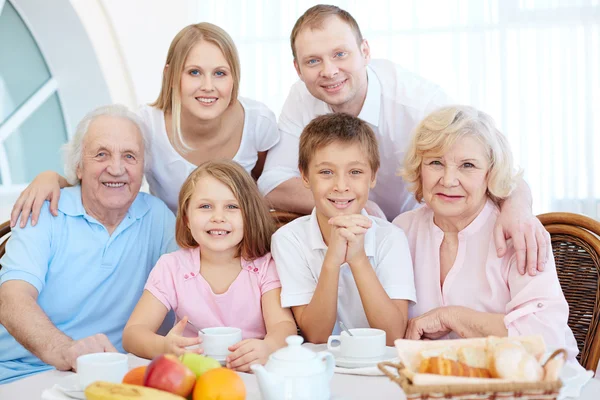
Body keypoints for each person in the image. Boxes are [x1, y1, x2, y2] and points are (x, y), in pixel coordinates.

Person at [258, 4, 549, 276]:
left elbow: (490, 165)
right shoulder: (302, 95)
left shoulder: (419, 102)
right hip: (352, 233)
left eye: (340, 54)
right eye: (313, 61)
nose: (329, 71)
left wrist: (518, 207)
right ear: (298, 69)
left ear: (365, 51)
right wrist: (356, 204)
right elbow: (272, 183)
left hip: (423, 237)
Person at [11, 22, 279, 216]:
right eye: (194, 72)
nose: (208, 86)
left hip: (236, 249)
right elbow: (98, 177)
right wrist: (50, 177)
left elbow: (267, 187)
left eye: (220, 73)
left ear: (235, 77)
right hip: (168, 251)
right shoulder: (145, 126)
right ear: (171, 76)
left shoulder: (257, 121)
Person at [0, 105, 177, 383]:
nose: (116, 168)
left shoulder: (157, 217)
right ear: (78, 166)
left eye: (129, 156)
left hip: (112, 376)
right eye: (101, 154)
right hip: (22, 372)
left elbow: (192, 289)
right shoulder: (44, 211)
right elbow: (11, 298)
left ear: (143, 168)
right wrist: (67, 350)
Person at [393, 105, 578, 361]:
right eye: (436, 162)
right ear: (419, 168)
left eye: (467, 165)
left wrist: (452, 317)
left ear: (490, 174)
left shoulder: (519, 234)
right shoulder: (403, 230)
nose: (448, 180)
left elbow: (547, 337)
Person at [122, 160, 296, 372]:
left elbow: (283, 326)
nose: (218, 218)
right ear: (186, 217)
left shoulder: (265, 266)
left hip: (253, 373)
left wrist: (268, 347)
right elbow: (133, 333)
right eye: (205, 206)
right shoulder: (172, 267)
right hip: (194, 377)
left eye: (232, 207)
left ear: (248, 215)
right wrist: (164, 347)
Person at [271, 113, 416, 346]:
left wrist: (358, 258)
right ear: (305, 176)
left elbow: (392, 336)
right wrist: (332, 260)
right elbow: (316, 336)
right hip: (320, 366)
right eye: (326, 172)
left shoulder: (391, 238)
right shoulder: (288, 240)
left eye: (355, 172)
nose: (341, 186)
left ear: (373, 176)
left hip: (378, 367)